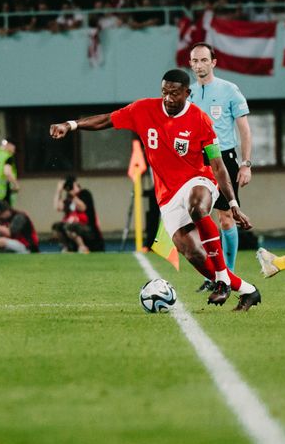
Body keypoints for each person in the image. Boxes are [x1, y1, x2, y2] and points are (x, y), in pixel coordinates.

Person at [50, 69, 262, 311]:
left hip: (198, 181)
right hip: (167, 195)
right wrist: (71, 124)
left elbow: (217, 165)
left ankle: (222, 279)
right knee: (192, 253)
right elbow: (107, 119)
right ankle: (248, 291)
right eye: (164, 92)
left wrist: (233, 204)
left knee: (197, 205)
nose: (169, 98)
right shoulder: (143, 110)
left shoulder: (200, 120)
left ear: (187, 93)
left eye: (174, 93)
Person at [188, 42, 252, 272]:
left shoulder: (229, 90)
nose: (199, 65)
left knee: (226, 217)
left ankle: (229, 273)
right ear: (190, 64)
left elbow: (244, 129)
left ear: (213, 62)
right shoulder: (188, 94)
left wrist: (245, 164)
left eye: (204, 60)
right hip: (196, 159)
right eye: (195, 60)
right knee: (201, 218)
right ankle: (213, 274)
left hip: (224, 157)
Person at [52, 175, 104, 253]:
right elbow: (57, 208)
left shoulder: (85, 193)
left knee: (70, 226)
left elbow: (83, 208)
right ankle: (67, 247)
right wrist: (58, 191)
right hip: (74, 229)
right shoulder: (69, 197)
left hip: (89, 229)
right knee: (57, 227)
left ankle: (82, 247)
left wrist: (73, 195)